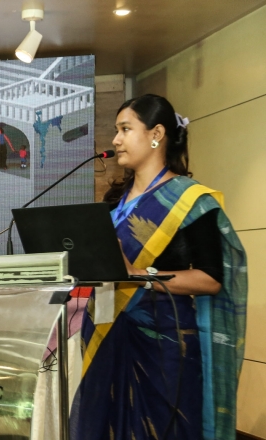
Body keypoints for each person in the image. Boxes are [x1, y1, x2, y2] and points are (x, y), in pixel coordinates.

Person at [70, 95, 247, 440]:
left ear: (157, 134)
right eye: (116, 130)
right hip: (110, 335)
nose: (115, 140)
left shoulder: (191, 201)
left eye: (125, 129)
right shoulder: (113, 203)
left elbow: (211, 280)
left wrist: (138, 274)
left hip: (165, 346)